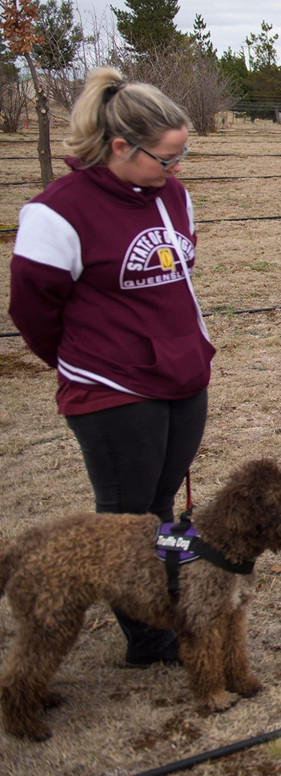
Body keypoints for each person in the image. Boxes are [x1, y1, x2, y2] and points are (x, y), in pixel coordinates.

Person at [8, 67, 212, 667]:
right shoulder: (56, 213)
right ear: (120, 146)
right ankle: (149, 638)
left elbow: (177, 277)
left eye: (181, 156)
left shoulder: (172, 194)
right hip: (114, 391)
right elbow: (33, 311)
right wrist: (86, 363)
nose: (175, 169)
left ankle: (169, 605)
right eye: (166, 158)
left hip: (181, 377)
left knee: (163, 506)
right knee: (128, 518)